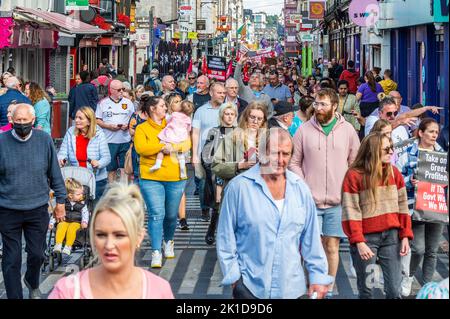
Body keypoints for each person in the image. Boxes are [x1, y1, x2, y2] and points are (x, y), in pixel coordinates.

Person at [217, 128, 334, 299]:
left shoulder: (300, 189)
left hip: (291, 288)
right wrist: (236, 280)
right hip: (250, 287)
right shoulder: (238, 188)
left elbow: (311, 240)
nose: (280, 160)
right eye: (274, 153)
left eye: (285, 154)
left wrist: (318, 276)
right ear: (261, 153)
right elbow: (225, 238)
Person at [289, 88, 360, 298]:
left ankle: (326, 289)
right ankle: (312, 286)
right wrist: (304, 188)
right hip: (310, 201)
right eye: (317, 104)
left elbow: (355, 163)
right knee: (311, 247)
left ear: (334, 106)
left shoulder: (347, 130)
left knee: (331, 245)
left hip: (337, 202)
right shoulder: (303, 130)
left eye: (323, 105)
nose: (318, 108)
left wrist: (347, 187)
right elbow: (294, 162)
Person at [48, 183, 174, 299]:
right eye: (101, 235)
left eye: (119, 235)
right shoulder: (68, 292)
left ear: (139, 237)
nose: (109, 245)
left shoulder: (158, 291)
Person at [0, 104, 66, 299]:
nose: (21, 124)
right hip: (8, 208)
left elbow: (54, 172)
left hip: (37, 207)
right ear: (11, 120)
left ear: (33, 120)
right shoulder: (2, 142)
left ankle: (32, 280)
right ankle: (15, 295)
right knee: (11, 258)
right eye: (17, 121)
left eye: (25, 121)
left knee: (37, 253)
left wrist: (60, 201)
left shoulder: (44, 140)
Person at [341, 132, 412, 299]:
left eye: (392, 148)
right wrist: (359, 241)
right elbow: (351, 209)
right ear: (373, 151)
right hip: (367, 239)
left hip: (391, 238)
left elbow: (403, 206)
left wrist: (405, 236)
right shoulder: (354, 175)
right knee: (368, 290)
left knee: (394, 290)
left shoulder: (395, 173)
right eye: (386, 149)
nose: (391, 152)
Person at [134, 96, 190, 268]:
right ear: (152, 109)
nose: (166, 108)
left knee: (171, 215)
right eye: (162, 106)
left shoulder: (173, 122)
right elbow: (141, 149)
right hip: (151, 177)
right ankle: (156, 251)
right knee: (157, 214)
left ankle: (169, 241)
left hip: (175, 176)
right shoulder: (142, 128)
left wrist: (173, 147)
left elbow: (187, 142)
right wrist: (161, 147)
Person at [396, 118, 446, 297]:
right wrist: (411, 181)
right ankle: (407, 276)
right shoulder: (408, 152)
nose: (434, 135)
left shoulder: (442, 154)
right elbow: (397, 178)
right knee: (418, 248)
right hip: (414, 206)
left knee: (432, 250)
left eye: (436, 133)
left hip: (435, 206)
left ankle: (428, 287)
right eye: (431, 132)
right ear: (421, 133)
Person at [202, 103, 240, 245]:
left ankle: (231, 234)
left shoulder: (240, 132)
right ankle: (212, 229)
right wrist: (213, 168)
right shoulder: (214, 131)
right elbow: (206, 154)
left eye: (232, 114)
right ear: (221, 115)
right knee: (217, 205)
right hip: (218, 173)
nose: (229, 117)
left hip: (236, 172)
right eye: (227, 113)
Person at [58, 106, 111, 200]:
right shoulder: (70, 132)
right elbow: (63, 151)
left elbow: (106, 157)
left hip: (95, 178)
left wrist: (98, 163)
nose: (76, 121)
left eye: (80, 118)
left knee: (93, 208)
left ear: (89, 121)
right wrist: (60, 159)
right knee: (76, 210)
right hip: (76, 178)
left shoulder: (99, 134)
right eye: (76, 118)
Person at [192, 83, 227, 223]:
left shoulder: (228, 110)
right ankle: (205, 209)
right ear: (211, 93)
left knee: (220, 182)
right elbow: (195, 132)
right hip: (204, 153)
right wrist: (194, 154)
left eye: (224, 93)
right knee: (203, 182)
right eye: (220, 93)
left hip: (223, 154)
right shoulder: (201, 111)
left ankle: (218, 209)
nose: (223, 95)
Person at [96, 80, 135, 183]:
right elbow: (97, 120)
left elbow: (133, 119)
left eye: (123, 89)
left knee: (125, 168)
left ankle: (124, 192)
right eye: (119, 90)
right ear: (111, 90)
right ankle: (112, 191)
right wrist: (108, 126)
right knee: (111, 169)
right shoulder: (103, 103)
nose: (121, 91)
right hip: (109, 141)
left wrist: (128, 125)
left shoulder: (128, 102)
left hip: (125, 140)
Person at [150, 98, 193, 179]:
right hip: (181, 137)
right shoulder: (188, 119)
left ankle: (157, 164)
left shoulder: (174, 114)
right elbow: (188, 129)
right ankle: (182, 168)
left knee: (161, 148)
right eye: (176, 101)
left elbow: (167, 120)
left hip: (170, 136)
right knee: (181, 154)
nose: (179, 103)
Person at [49, 178, 89, 256]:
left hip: (76, 222)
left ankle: (68, 246)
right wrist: (51, 222)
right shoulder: (63, 203)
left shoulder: (82, 204)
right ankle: (58, 244)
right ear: (70, 195)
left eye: (82, 194)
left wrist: (84, 222)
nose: (81, 196)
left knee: (72, 228)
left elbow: (85, 214)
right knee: (61, 226)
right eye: (78, 194)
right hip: (64, 220)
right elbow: (56, 212)